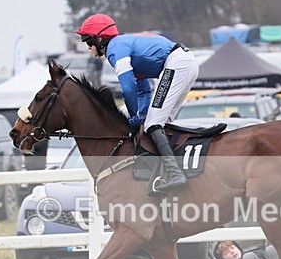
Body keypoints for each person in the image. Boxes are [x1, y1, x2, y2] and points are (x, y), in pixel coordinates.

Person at [75, 13, 197, 194]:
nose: (88, 48)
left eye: (88, 42)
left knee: (153, 124)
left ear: (100, 39)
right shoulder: (123, 45)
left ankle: (175, 174)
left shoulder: (115, 49)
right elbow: (142, 88)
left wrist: (133, 115)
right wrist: (142, 113)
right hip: (184, 63)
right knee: (159, 124)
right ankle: (172, 170)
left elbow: (128, 87)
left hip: (177, 64)